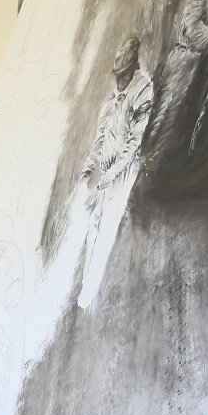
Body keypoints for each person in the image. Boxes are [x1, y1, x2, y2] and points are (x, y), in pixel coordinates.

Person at [77, 36, 154, 310]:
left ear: (132, 70)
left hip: (122, 174)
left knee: (105, 230)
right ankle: (84, 290)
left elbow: (133, 143)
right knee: (92, 227)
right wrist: (90, 168)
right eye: (116, 76)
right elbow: (101, 135)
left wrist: (108, 178)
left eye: (122, 76)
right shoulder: (113, 97)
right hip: (105, 171)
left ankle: (87, 298)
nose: (118, 81)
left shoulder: (143, 90)